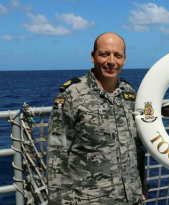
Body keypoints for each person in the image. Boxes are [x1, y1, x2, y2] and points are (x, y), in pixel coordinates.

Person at [47, 32, 149, 205]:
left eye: (117, 55)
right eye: (104, 54)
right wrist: (59, 201)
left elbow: (137, 147)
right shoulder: (71, 96)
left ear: (124, 59)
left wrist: (141, 186)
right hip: (89, 199)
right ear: (93, 57)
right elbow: (57, 153)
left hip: (132, 198)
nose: (111, 61)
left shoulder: (130, 94)